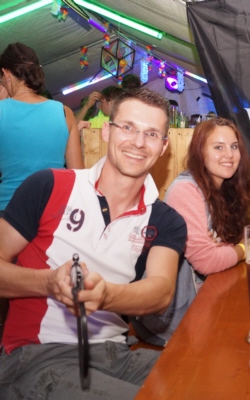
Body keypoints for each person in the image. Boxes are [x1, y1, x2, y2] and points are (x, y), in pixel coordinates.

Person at [0, 88, 187, 399]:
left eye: (152, 134)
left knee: (206, 378)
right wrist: (49, 282)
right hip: (38, 354)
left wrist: (105, 295)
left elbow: (160, 292)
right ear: (106, 132)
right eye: (128, 127)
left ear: (164, 146)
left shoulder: (165, 219)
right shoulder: (50, 186)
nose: (138, 142)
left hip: (116, 354)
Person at [132, 117, 250, 346]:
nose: (229, 154)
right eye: (218, 147)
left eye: (234, 146)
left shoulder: (225, 188)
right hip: (171, 319)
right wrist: (244, 249)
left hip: (203, 300)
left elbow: (231, 241)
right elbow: (207, 261)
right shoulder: (186, 190)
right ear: (200, 152)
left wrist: (225, 248)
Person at [0, 42, 84, 215]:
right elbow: (78, 175)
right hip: (55, 212)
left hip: (8, 211)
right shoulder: (65, 113)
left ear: (6, 73)